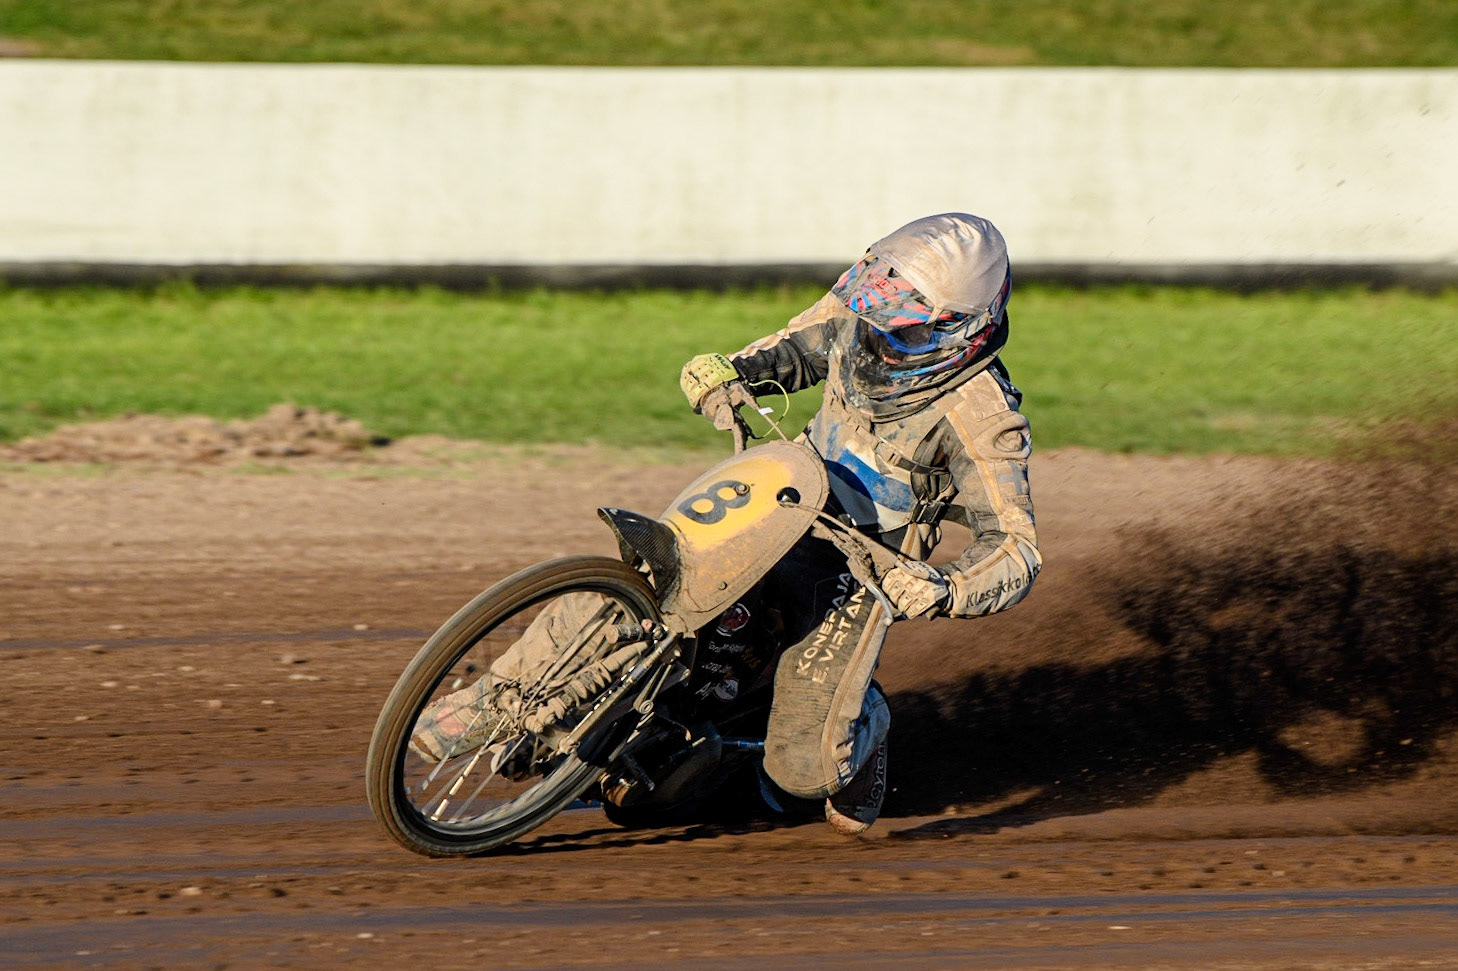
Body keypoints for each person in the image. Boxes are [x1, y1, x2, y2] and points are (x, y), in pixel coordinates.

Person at [677, 212, 1041, 834]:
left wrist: (944, 587)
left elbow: (1016, 548)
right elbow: (789, 350)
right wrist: (725, 374)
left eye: (905, 326)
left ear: (960, 331)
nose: (883, 335)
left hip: (859, 571)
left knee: (800, 777)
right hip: (776, 504)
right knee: (665, 599)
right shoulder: (858, 315)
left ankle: (866, 720)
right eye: (881, 312)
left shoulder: (983, 414)